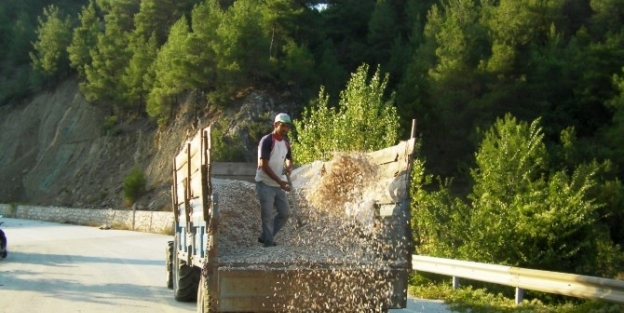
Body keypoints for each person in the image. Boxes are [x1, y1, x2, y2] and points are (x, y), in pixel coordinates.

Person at [255, 113, 293, 247]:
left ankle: (265, 236)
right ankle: (268, 244)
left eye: (287, 127)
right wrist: (280, 182)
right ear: (275, 125)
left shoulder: (285, 143)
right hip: (265, 184)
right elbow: (263, 166)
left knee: (285, 213)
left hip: (277, 185)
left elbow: (289, 158)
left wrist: (289, 168)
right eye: (283, 126)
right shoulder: (267, 141)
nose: (285, 129)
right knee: (267, 216)